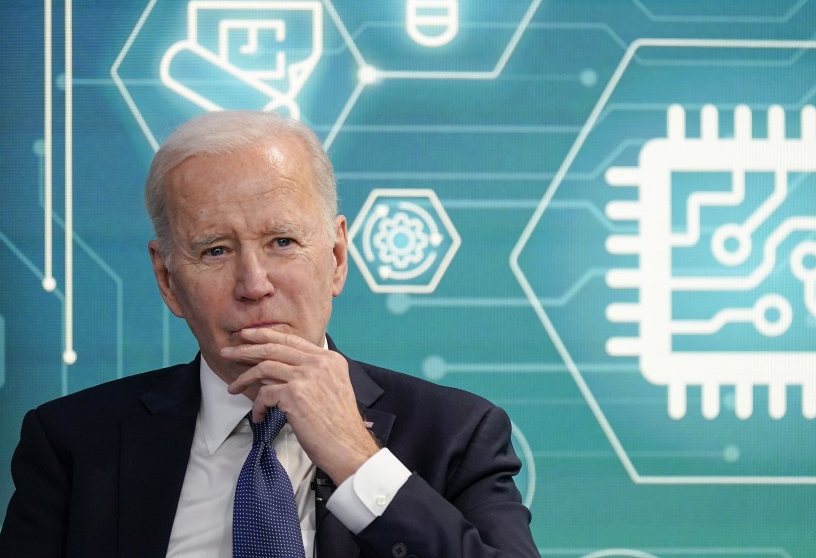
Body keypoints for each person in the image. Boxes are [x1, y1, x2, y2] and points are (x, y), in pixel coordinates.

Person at [0, 110, 540, 558]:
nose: (254, 285)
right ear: (167, 279)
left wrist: (358, 459)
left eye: (282, 242)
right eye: (215, 250)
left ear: (336, 257)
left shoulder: (457, 434)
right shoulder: (72, 443)